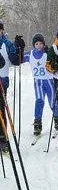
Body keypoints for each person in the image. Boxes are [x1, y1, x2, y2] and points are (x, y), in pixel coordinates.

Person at [23, 33, 58, 136]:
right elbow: (17, 59)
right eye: (37, 44)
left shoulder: (47, 53)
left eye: (41, 43)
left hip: (49, 81)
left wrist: (52, 55)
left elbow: (57, 61)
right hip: (38, 82)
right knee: (39, 101)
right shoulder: (30, 54)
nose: (39, 45)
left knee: (53, 102)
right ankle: (37, 124)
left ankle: (57, 119)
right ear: (34, 44)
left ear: (43, 44)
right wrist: (18, 48)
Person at [0, 22, 21, 153]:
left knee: (1, 110)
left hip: (2, 81)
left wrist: (19, 49)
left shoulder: (6, 44)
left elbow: (16, 61)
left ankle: (3, 140)